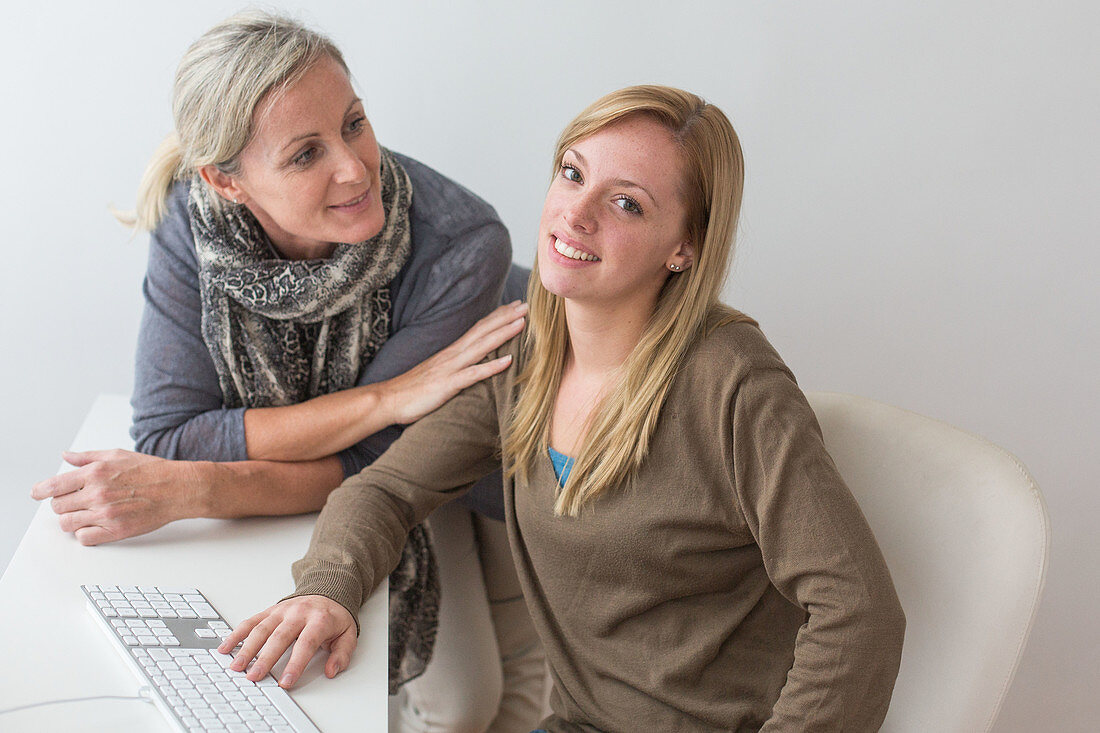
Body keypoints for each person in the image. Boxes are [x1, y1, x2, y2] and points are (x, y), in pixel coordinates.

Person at [221, 84, 907, 731]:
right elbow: (388, 489)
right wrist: (327, 588)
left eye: (627, 203)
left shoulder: (733, 385)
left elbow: (860, 610)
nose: (575, 214)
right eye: (573, 173)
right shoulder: (530, 357)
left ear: (684, 247)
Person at [29, 11, 546, 733]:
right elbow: (172, 433)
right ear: (227, 181)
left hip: (495, 429)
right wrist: (387, 398)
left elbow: (374, 471)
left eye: (355, 123)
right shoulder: (194, 220)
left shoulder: (462, 242)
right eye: (306, 154)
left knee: (485, 690)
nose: (356, 166)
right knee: (460, 700)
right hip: (396, 433)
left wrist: (195, 488)